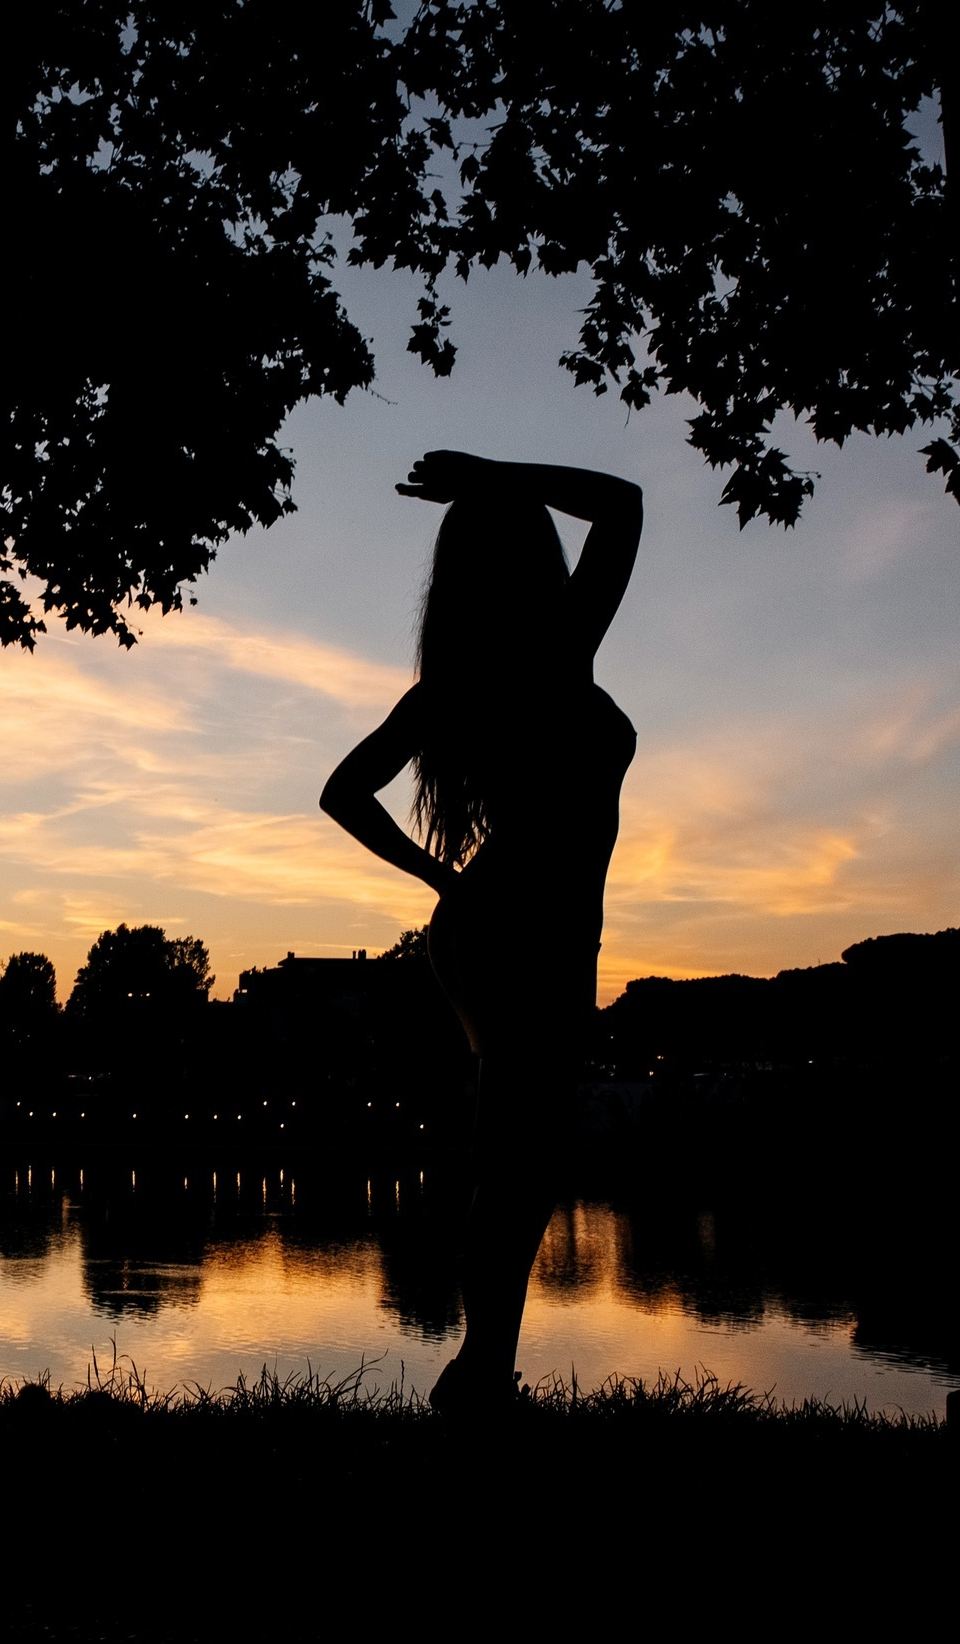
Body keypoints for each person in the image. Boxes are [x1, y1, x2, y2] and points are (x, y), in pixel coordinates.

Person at [322, 449, 642, 1412]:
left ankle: (484, 1368)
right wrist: (497, 475)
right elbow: (622, 506)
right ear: (537, 557)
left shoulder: (459, 683)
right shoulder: (559, 648)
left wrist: (445, 883)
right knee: (518, 1156)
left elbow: (345, 793)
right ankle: (480, 1376)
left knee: (519, 1153)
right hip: (525, 925)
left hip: (504, 921)